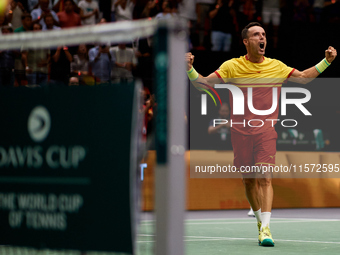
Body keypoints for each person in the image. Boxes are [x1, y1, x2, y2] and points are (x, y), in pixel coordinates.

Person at [185, 22, 337, 247]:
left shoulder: (276, 66)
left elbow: (304, 77)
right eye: (256, 35)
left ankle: (265, 228)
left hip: (266, 131)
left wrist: (327, 61)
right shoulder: (232, 66)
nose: (261, 38)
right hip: (240, 132)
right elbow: (204, 85)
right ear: (246, 42)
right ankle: (259, 221)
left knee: (265, 177)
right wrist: (189, 68)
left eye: (263, 34)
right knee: (248, 181)